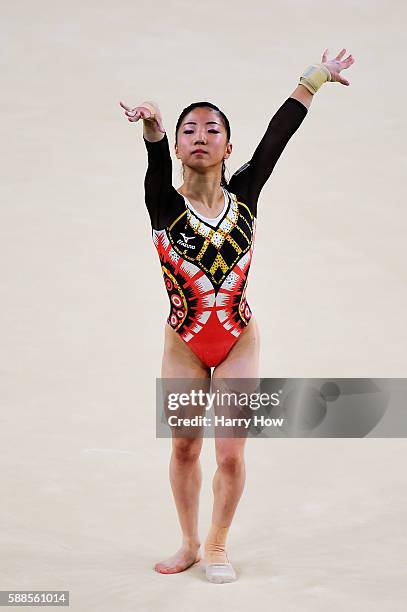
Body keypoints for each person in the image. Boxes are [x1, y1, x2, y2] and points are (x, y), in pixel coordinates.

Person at [120, 48, 354, 583]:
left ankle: (219, 544)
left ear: (229, 145)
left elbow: (278, 138)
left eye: (211, 129)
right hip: (184, 341)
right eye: (188, 130)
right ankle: (187, 542)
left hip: (237, 339)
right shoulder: (165, 205)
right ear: (178, 145)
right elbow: (155, 166)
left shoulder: (245, 193)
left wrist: (312, 80)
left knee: (229, 454)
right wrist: (153, 127)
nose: (199, 136)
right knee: (184, 447)